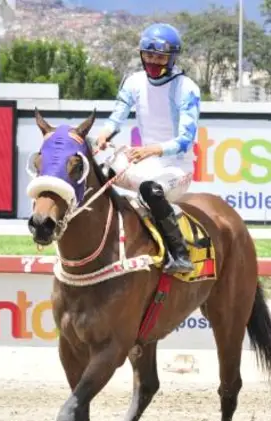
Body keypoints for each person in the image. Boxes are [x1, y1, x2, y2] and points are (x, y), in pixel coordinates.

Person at [94, 22, 201, 275]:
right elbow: (117, 117)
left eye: (160, 57)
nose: (153, 62)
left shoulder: (186, 88)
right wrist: (105, 133)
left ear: (172, 58)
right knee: (100, 174)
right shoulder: (133, 81)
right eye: (148, 55)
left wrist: (152, 150)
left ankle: (180, 254)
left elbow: (185, 139)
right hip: (146, 163)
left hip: (177, 167)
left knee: (150, 190)